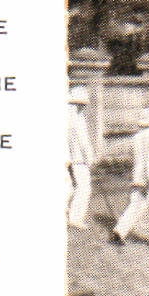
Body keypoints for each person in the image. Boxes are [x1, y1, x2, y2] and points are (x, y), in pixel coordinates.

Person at [111, 107, 149, 253]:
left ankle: (119, 231)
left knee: (135, 207)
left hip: (138, 178)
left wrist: (141, 178)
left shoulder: (135, 138)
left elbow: (135, 158)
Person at [66, 85, 96, 229]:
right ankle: (76, 218)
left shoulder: (65, 115)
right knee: (84, 188)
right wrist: (90, 158)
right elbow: (84, 142)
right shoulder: (77, 118)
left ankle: (69, 214)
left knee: (70, 187)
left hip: (67, 158)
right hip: (79, 159)